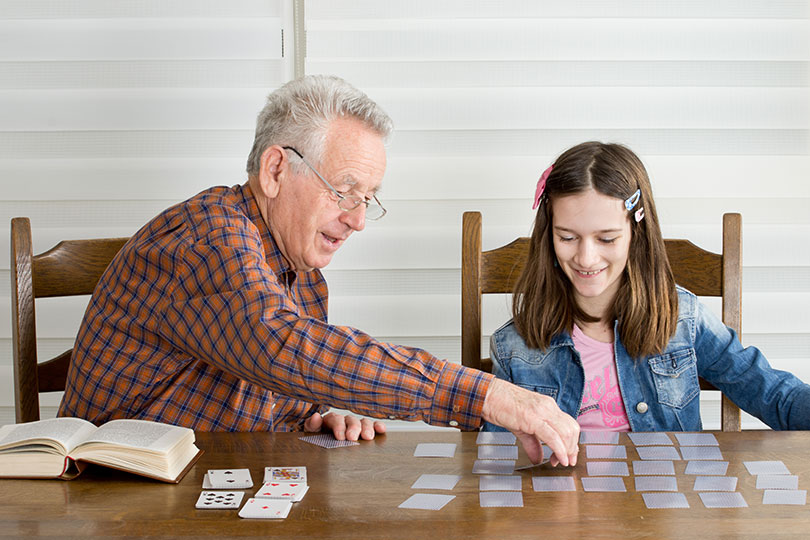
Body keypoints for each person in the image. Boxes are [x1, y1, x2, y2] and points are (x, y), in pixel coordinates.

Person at [58, 75, 579, 465]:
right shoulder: (207, 238)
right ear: (276, 169)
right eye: (344, 190)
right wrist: (485, 393)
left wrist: (314, 415)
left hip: (213, 483)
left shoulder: (300, 269)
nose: (357, 220)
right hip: (109, 496)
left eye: (368, 198)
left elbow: (284, 375)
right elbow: (279, 347)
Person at [484, 141, 810, 432]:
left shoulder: (683, 318)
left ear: (635, 235)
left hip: (665, 495)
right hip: (562, 500)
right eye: (567, 237)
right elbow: (498, 458)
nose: (586, 257)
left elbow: (769, 391)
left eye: (607, 238)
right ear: (549, 236)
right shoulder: (514, 344)